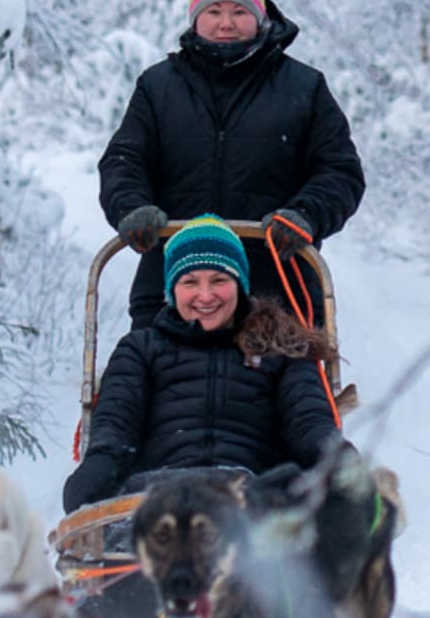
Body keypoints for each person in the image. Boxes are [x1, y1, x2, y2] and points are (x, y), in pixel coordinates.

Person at [100, 0, 364, 328]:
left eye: (239, 11)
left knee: (285, 387)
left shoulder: (304, 88)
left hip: (277, 287)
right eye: (214, 11)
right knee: (156, 382)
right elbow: (124, 161)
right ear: (196, 18)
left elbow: (339, 170)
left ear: (260, 16)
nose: (227, 23)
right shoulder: (158, 87)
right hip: (175, 285)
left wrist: (305, 215)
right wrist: (130, 208)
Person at [62, 218, 338, 515]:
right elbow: (117, 428)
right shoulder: (140, 349)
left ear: (239, 285)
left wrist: (339, 463)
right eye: (190, 281)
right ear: (172, 289)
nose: (205, 296)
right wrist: (95, 471)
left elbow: (309, 424)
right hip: (158, 497)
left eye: (219, 280)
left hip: (252, 496)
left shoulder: (281, 349)